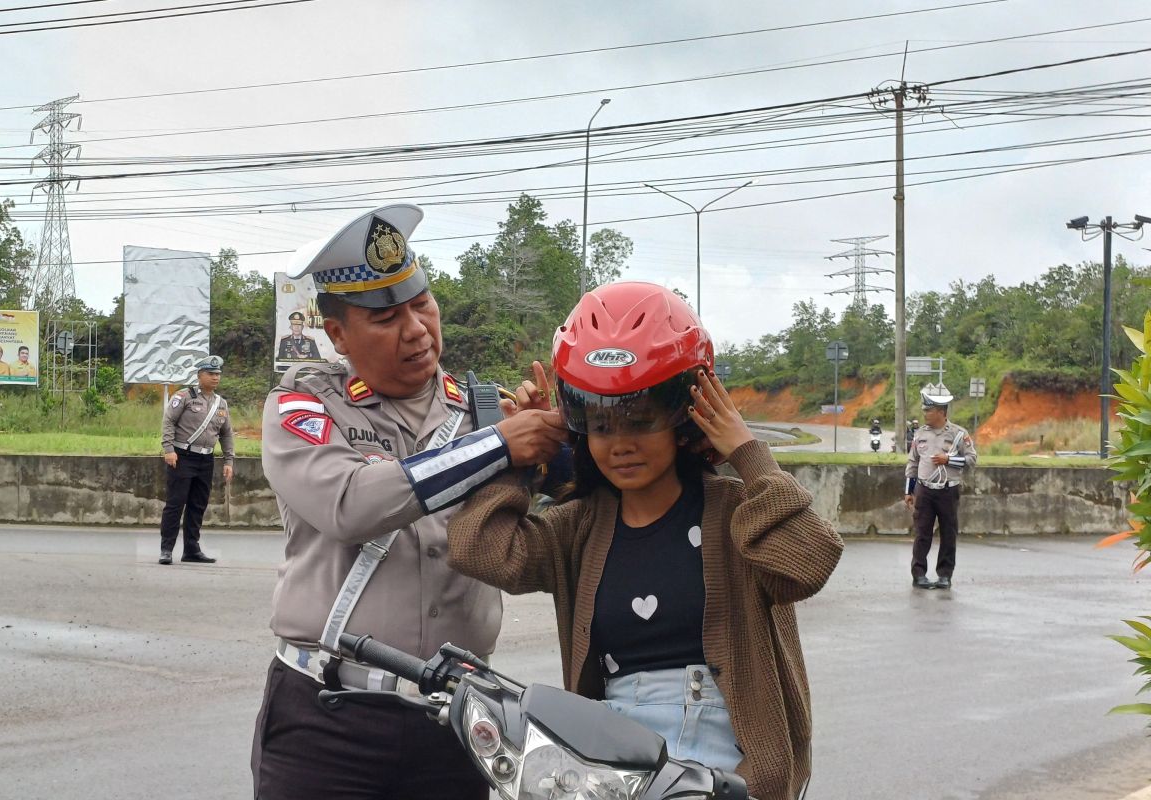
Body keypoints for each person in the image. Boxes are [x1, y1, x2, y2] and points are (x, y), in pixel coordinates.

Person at [446, 282, 844, 800]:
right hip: (611, 757)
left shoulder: (733, 512)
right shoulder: (580, 526)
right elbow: (477, 546)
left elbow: (810, 561)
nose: (621, 444)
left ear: (684, 418)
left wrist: (747, 452)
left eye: (641, 421)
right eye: (601, 425)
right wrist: (522, 459)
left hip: (730, 762)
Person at [252, 203, 566, 800]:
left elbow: (578, 517)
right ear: (338, 332)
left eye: (422, 304)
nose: (417, 329)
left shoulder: (487, 411)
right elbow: (350, 505)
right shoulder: (303, 409)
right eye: (387, 317)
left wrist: (555, 447)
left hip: (454, 723)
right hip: (329, 714)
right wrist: (497, 447)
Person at [158, 355, 233, 565]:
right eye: (211, 374)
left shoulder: (221, 403)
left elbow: (226, 434)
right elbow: (168, 421)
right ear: (199, 375)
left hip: (206, 459)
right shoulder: (184, 396)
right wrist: (168, 448)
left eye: (218, 374)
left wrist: (229, 461)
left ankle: (191, 549)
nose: (215, 378)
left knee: (197, 505)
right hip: (182, 457)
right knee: (175, 504)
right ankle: (166, 549)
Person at [904, 383, 977, 590]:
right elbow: (913, 463)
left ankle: (945, 575)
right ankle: (918, 574)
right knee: (922, 533)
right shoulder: (920, 434)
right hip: (924, 490)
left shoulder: (958, 434)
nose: (925, 413)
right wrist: (908, 491)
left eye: (929, 410)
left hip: (948, 490)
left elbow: (972, 459)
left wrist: (949, 460)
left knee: (948, 533)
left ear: (941, 412)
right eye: (925, 409)